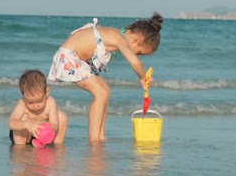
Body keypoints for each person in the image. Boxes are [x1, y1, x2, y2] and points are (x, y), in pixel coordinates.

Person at [48, 13, 163, 141]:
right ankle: (94, 139)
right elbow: (135, 62)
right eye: (140, 52)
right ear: (137, 40)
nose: (137, 55)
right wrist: (142, 77)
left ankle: (101, 135)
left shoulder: (115, 33)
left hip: (79, 59)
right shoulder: (119, 38)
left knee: (105, 90)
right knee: (100, 93)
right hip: (69, 57)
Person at [9, 69, 68, 146]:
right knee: (24, 117)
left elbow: (55, 125)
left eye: (40, 101)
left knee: (61, 116)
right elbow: (12, 123)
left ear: (47, 92)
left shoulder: (50, 102)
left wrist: (45, 126)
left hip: (44, 135)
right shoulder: (22, 103)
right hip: (25, 136)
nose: (35, 106)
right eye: (30, 102)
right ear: (24, 96)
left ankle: (57, 144)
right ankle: (20, 147)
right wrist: (27, 124)